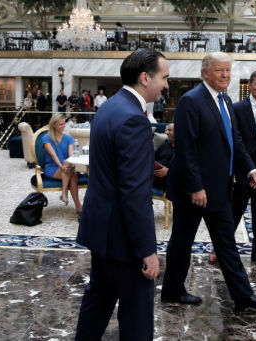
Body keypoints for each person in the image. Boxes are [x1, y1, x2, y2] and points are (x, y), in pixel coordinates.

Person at [161, 52, 256, 312]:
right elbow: (186, 149)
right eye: (219, 70)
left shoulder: (225, 100)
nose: (225, 75)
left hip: (220, 188)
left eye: (228, 71)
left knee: (227, 244)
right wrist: (196, 187)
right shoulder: (191, 101)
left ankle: (243, 297)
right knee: (182, 242)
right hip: (194, 190)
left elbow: (234, 140)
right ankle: (172, 290)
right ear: (205, 73)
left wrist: (249, 168)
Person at [75, 49, 169, 341]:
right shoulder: (134, 119)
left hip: (102, 229)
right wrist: (147, 251)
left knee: (98, 302)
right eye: (164, 77)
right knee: (137, 316)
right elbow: (134, 192)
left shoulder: (110, 107)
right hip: (124, 239)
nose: (166, 84)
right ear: (145, 78)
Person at [209, 70, 256, 267]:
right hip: (243, 171)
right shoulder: (237, 108)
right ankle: (218, 248)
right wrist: (233, 169)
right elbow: (234, 141)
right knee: (233, 213)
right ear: (250, 85)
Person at [42, 113, 82, 215]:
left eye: (64, 124)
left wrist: (69, 164)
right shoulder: (46, 138)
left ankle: (66, 194)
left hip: (66, 166)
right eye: (60, 124)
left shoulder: (69, 138)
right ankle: (77, 205)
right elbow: (53, 155)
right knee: (71, 173)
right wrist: (61, 166)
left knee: (70, 170)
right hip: (52, 167)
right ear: (54, 125)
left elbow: (71, 155)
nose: (63, 126)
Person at [153, 123, 174, 189]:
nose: (167, 132)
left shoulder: (184, 149)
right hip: (155, 174)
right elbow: (153, 158)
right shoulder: (165, 144)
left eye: (170, 130)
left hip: (170, 178)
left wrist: (169, 171)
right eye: (166, 130)